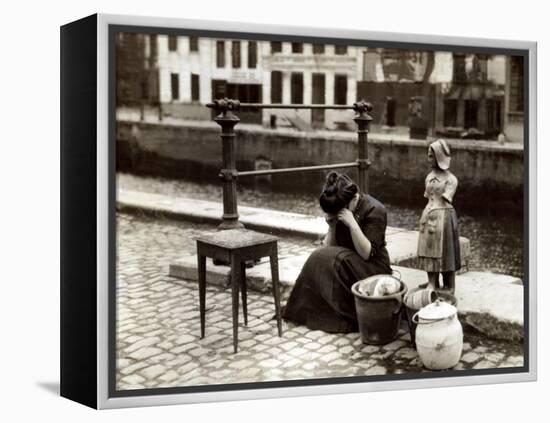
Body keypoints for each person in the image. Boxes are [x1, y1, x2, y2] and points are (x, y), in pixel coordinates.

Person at [282, 171, 392, 333]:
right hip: (347, 263)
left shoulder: (375, 209)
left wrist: (352, 224)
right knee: (318, 257)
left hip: (372, 267)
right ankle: (300, 310)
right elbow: (329, 248)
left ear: (354, 199)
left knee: (329, 258)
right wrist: (332, 225)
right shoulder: (340, 206)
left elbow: (366, 254)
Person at [417, 139, 461, 293]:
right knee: (428, 250)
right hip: (429, 215)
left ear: (439, 157)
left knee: (446, 251)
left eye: (431, 156)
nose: (428, 159)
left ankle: (449, 285)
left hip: (444, 217)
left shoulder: (451, 179)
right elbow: (428, 196)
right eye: (428, 156)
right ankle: (432, 282)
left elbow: (446, 198)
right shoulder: (429, 177)